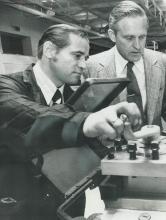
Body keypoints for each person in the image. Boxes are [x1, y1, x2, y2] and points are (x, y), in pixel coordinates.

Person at [0, 24, 141, 220]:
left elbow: (78, 152)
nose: (83, 65)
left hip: (68, 208)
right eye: (77, 56)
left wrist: (108, 141)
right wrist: (87, 122)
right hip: (23, 209)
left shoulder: (75, 98)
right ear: (50, 50)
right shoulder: (7, 87)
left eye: (85, 58)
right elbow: (30, 117)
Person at [87, 0, 166, 137]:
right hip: (110, 150)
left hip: (153, 148)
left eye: (142, 37)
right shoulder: (91, 66)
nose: (138, 46)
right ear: (112, 35)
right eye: (129, 38)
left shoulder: (162, 61)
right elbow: (87, 115)